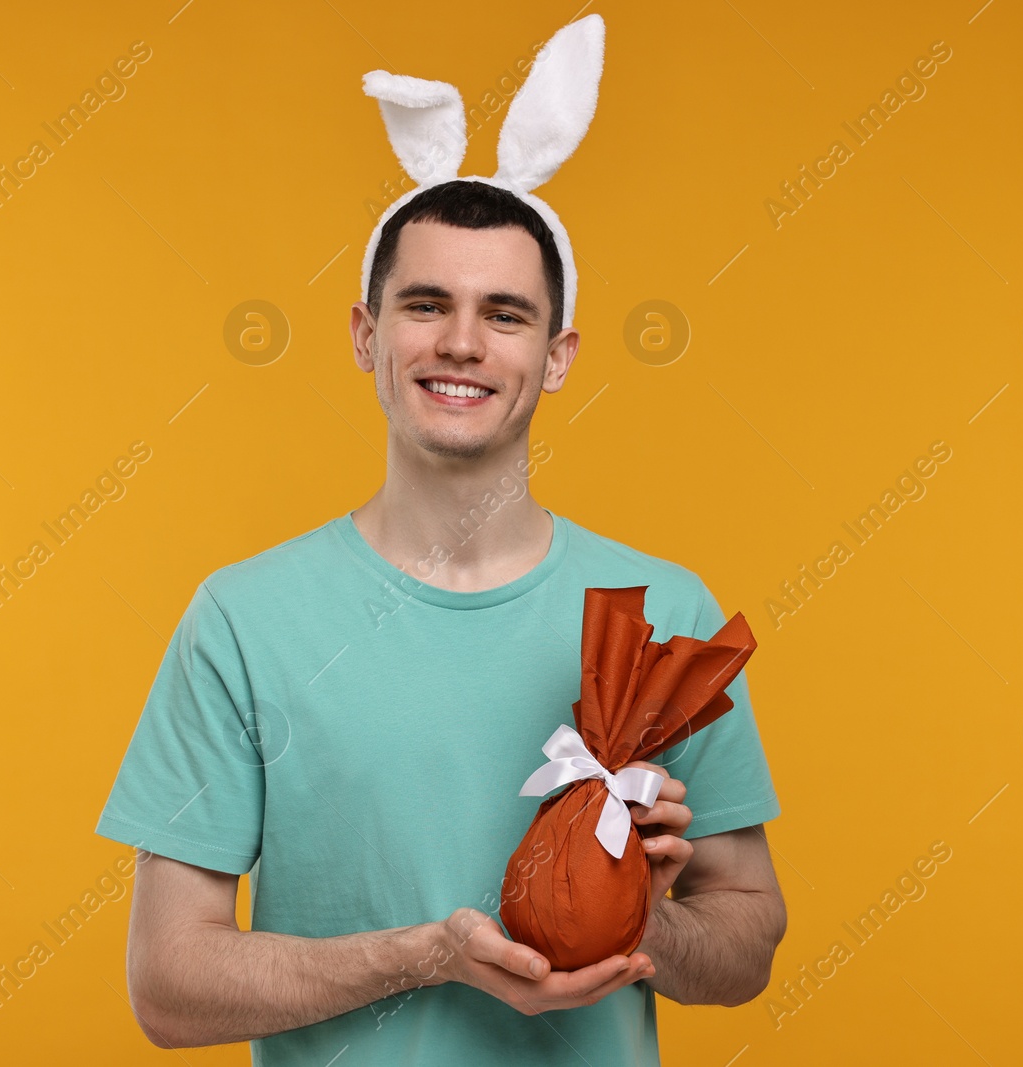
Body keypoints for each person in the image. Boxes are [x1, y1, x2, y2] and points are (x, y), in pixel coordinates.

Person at [93, 177, 787, 1065]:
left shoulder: (660, 617)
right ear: (365, 334)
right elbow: (168, 983)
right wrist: (427, 957)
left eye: (505, 315)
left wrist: (643, 919)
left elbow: (747, 944)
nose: (461, 343)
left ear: (559, 355)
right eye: (426, 304)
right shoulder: (241, 620)